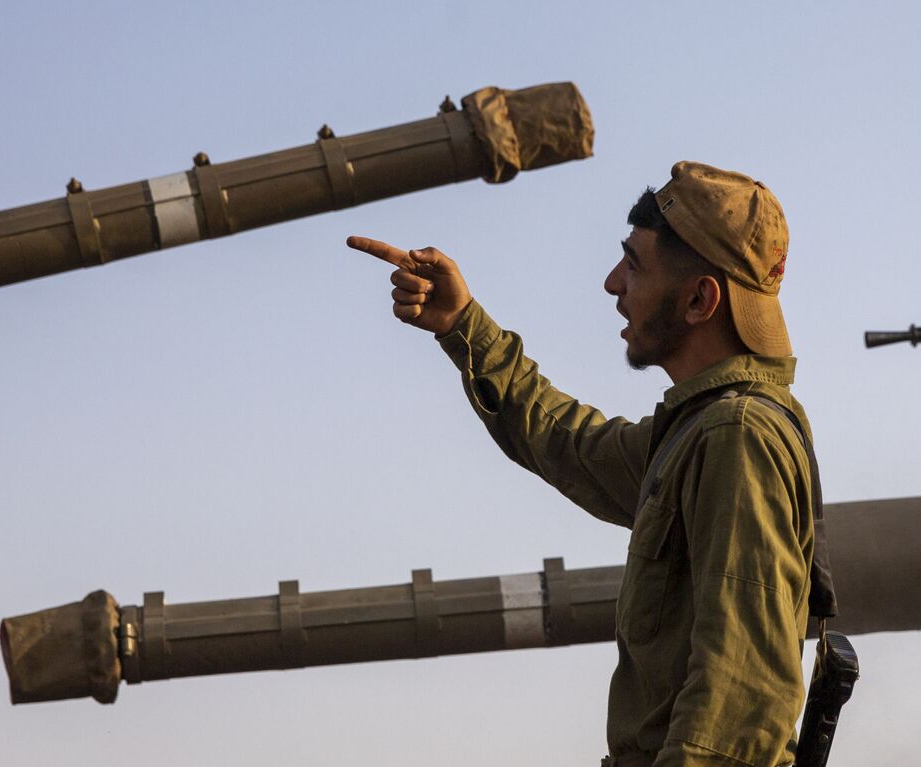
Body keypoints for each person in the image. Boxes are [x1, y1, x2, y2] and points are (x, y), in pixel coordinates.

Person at [348, 161, 832, 767]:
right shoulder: (701, 432)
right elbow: (573, 446)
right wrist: (463, 325)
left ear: (699, 300)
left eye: (634, 264)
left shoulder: (737, 434)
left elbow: (742, 696)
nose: (612, 283)